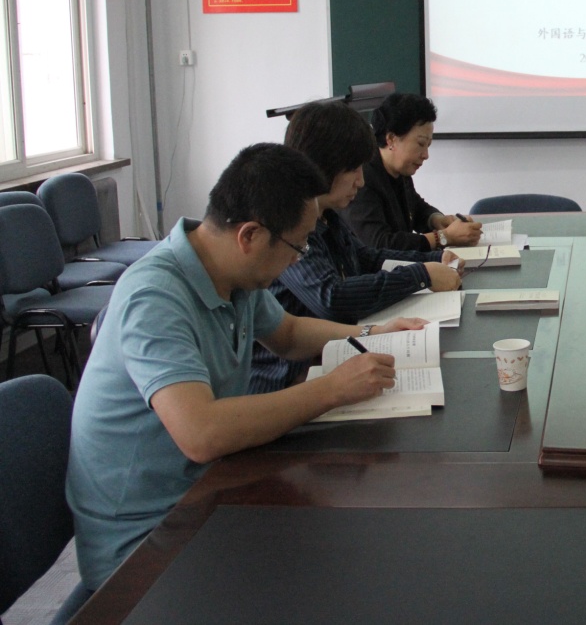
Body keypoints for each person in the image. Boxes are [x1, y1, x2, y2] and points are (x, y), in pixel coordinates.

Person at [66, 144, 427, 594]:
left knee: (354, 545)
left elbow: (288, 333)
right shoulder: (154, 297)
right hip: (145, 540)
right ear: (250, 235)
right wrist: (331, 390)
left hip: (210, 488)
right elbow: (201, 434)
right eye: (297, 245)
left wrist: (371, 334)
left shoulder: (230, 272)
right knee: (335, 576)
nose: (300, 257)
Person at [250, 100, 464, 393]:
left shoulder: (328, 213)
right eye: (354, 169)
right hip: (289, 380)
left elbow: (366, 257)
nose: (361, 181)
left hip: (326, 360)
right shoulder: (289, 224)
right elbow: (331, 298)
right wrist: (420, 274)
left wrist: (434, 258)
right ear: (322, 166)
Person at [344, 92, 482, 252]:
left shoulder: (399, 169)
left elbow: (415, 207)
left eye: (428, 145)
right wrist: (444, 237)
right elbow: (380, 243)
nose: (426, 155)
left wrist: (436, 220)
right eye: (421, 144)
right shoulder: (361, 179)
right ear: (391, 139)